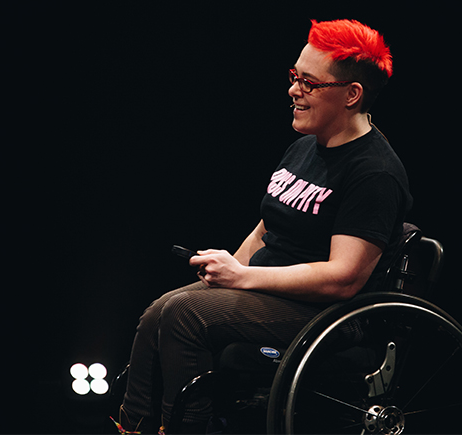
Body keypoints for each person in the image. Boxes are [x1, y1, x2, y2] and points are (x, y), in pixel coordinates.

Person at [114, 19, 412, 434]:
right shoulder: (305, 146)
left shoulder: (374, 173)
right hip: (269, 294)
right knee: (157, 313)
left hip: (323, 312)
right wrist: (225, 271)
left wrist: (244, 277)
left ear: (352, 94)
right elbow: (266, 228)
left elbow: (343, 278)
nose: (294, 90)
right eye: (295, 77)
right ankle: (135, 428)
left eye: (309, 83)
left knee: (184, 315)